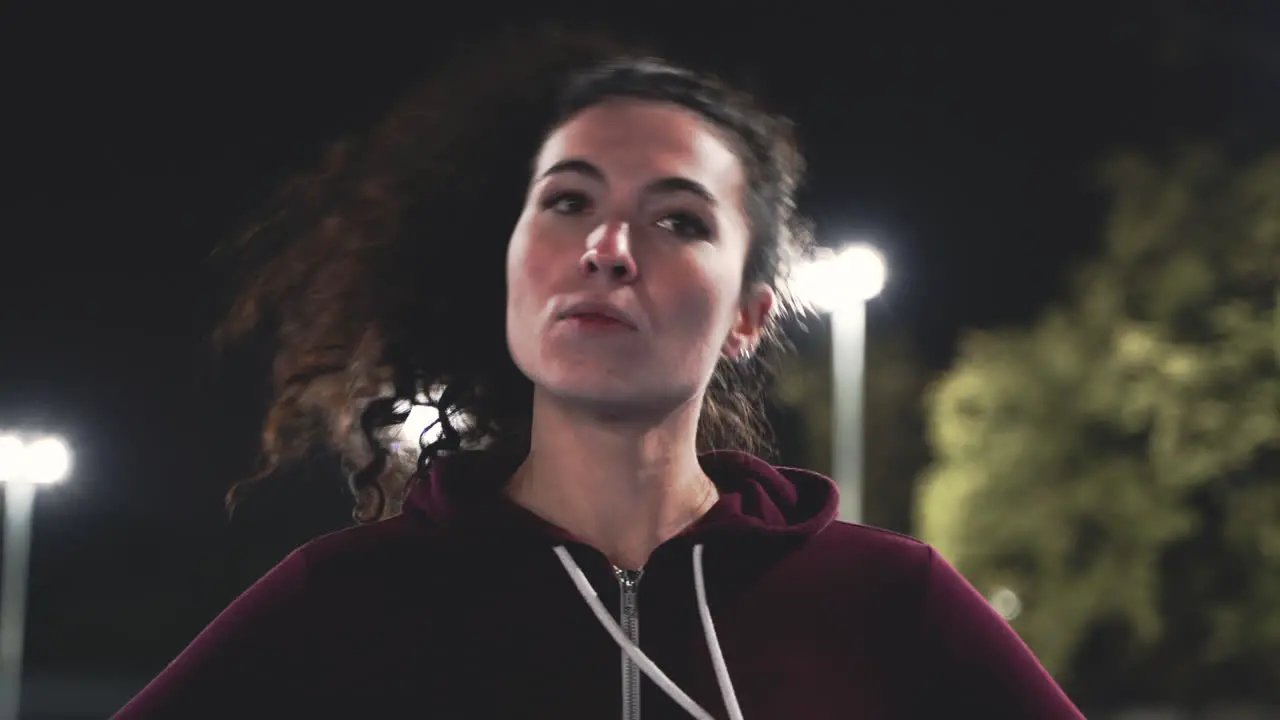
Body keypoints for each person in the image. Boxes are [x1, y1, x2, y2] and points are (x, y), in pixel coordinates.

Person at [117, 30, 1085, 719]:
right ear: (504, 269)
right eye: (568, 201)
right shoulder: (342, 602)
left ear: (749, 315)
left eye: (679, 219)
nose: (610, 247)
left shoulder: (887, 600)